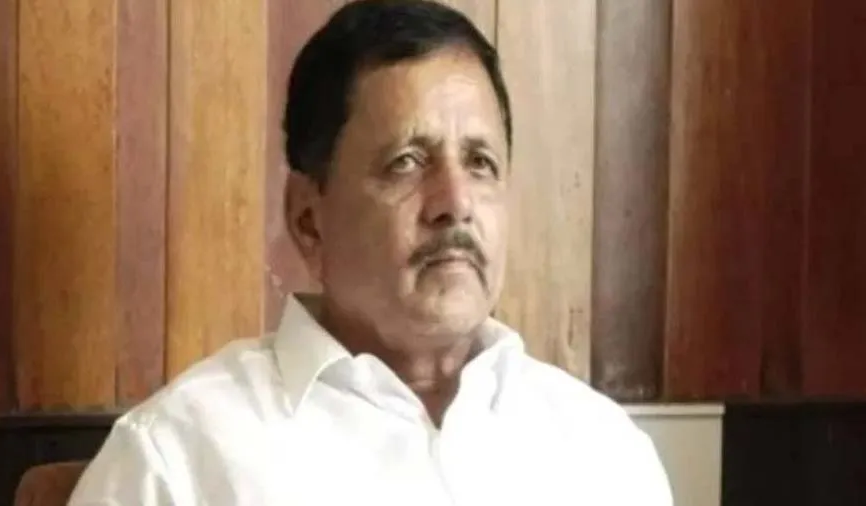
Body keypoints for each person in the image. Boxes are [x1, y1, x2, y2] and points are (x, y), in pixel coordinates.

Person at [68, 1, 673, 504]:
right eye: (406, 162)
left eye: (480, 163)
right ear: (309, 219)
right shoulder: (177, 459)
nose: (455, 202)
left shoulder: (604, 453)